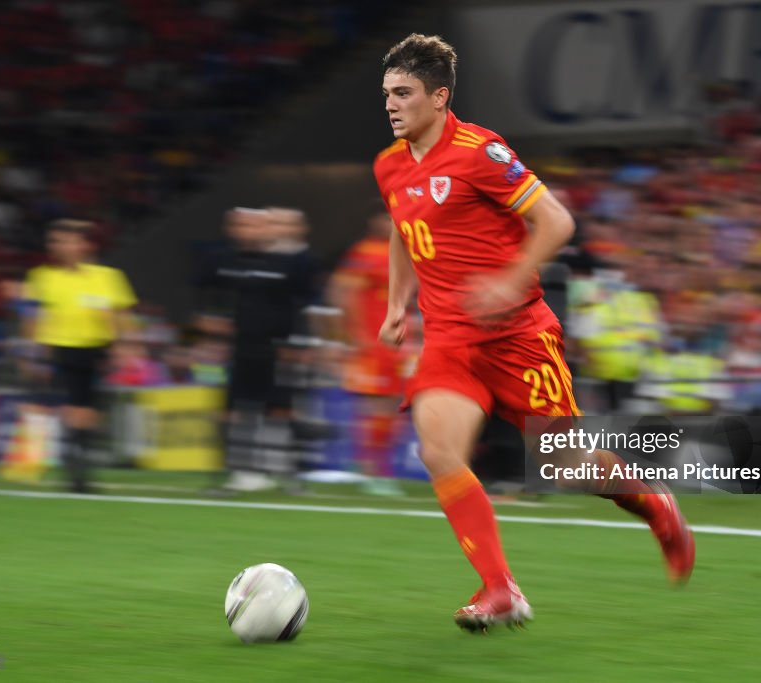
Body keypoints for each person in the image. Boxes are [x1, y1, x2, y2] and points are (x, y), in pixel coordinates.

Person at [373, 34, 695, 632]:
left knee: (565, 463)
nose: (391, 105)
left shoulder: (480, 151)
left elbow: (556, 220)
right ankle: (500, 589)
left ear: (439, 97)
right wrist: (399, 302)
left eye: (404, 93)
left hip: (517, 334)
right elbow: (401, 224)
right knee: (438, 449)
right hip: (449, 339)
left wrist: (508, 280)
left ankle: (655, 504)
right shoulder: (389, 164)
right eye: (387, 93)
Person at [195, 208, 315, 492]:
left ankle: (287, 472)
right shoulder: (223, 261)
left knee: (280, 410)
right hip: (239, 348)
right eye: (242, 225)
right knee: (234, 410)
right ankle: (238, 471)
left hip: (277, 347)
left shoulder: (286, 264)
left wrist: (297, 342)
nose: (249, 231)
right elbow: (205, 296)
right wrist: (206, 328)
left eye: (256, 225)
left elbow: (299, 304)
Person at [21, 219, 137, 493]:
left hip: (97, 349)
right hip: (59, 348)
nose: (60, 246)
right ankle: (76, 470)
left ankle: (77, 458)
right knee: (72, 405)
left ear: (85, 245)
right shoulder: (41, 276)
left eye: (67, 240)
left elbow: (121, 314)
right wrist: (30, 351)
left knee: (89, 410)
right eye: (56, 241)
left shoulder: (107, 276)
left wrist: (124, 345)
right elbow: (32, 316)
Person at [331, 202, 407, 495]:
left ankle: (373, 466)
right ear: (375, 220)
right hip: (373, 345)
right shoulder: (365, 252)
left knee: (392, 407)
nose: (391, 222)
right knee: (375, 406)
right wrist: (353, 336)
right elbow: (342, 293)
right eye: (387, 217)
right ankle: (371, 470)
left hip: (398, 343)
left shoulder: (408, 250)